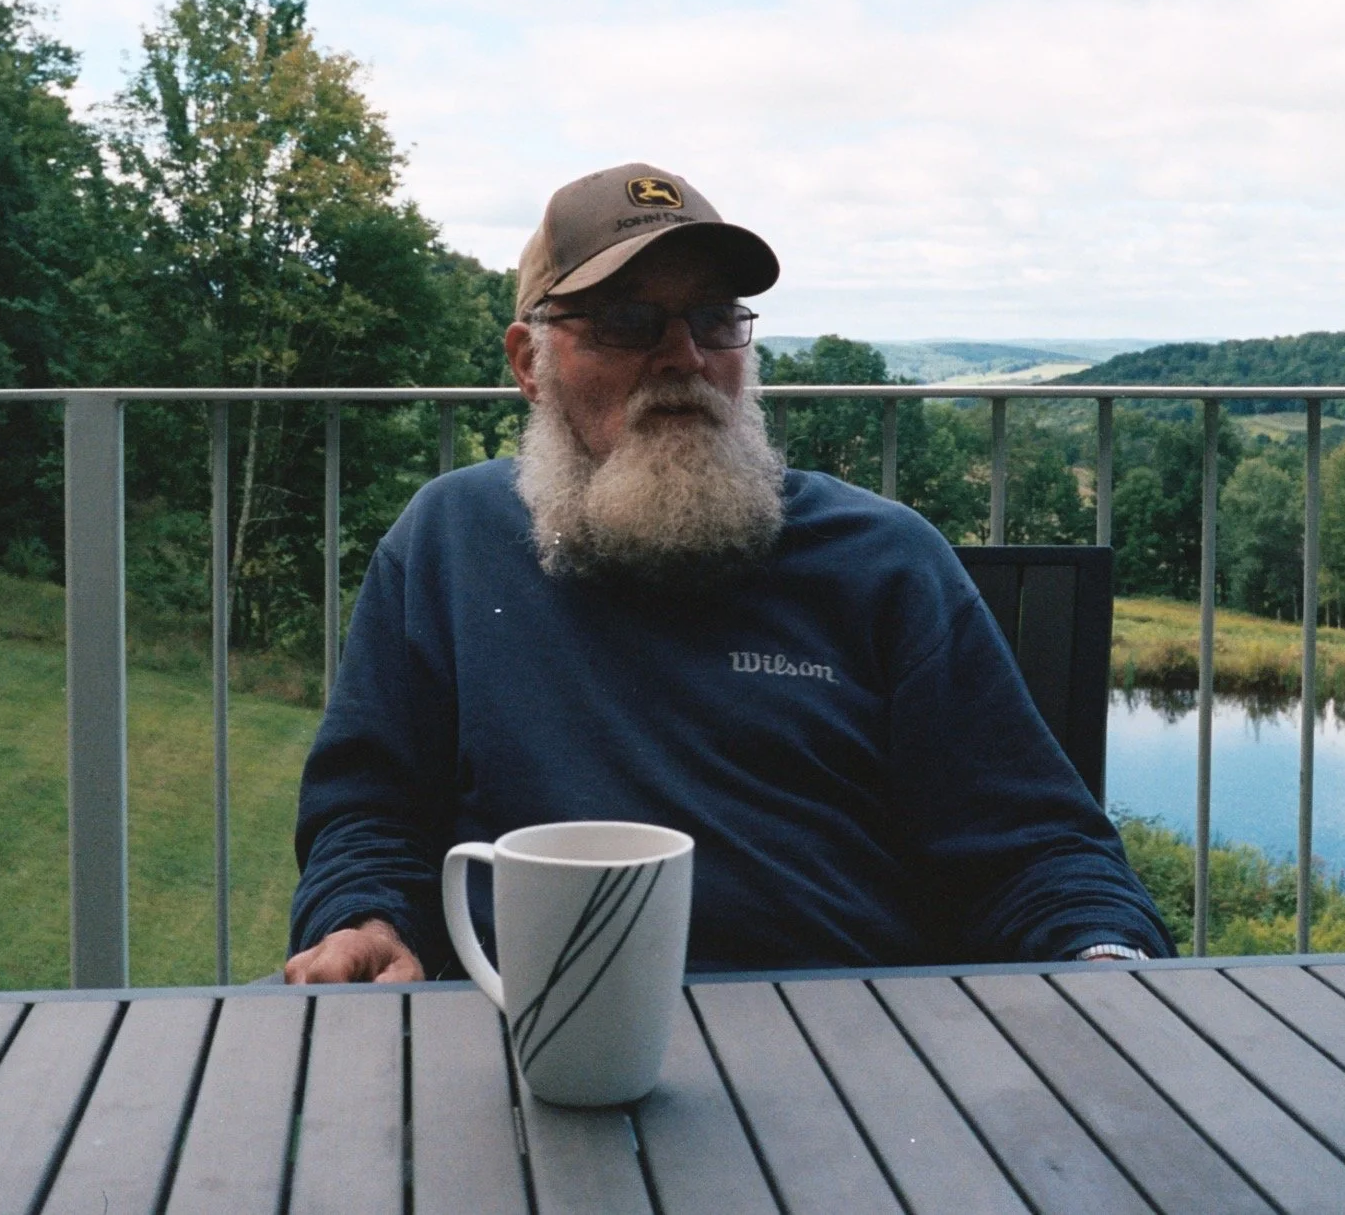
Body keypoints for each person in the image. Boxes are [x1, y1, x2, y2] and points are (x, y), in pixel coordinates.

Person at [284, 163, 1172, 984]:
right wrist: (365, 919)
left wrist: (1106, 957)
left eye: (713, 318)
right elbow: (369, 812)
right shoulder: (450, 541)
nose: (684, 356)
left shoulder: (883, 559)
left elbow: (1036, 849)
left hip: (846, 1039)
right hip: (538, 1033)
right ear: (530, 363)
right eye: (628, 321)